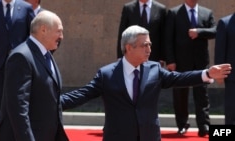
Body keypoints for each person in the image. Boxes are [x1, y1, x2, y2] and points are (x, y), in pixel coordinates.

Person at [60, 25, 230, 141]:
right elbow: (82, 94)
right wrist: (54, 102)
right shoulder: (107, 74)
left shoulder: (154, 69)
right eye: (144, 45)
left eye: (150, 44)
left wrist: (206, 73)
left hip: (149, 136)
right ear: (128, 48)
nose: (149, 49)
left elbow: (179, 78)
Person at [0, 10, 66, 141]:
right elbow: (18, 107)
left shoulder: (47, 55)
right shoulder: (21, 57)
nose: (62, 36)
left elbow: (48, 97)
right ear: (43, 30)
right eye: (59, 31)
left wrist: (88, 93)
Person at [164, 0, 216, 136]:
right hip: (180, 62)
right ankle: (182, 124)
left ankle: (204, 125)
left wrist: (199, 32)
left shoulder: (207, 12)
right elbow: (168, 38)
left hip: (200, 62)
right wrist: (170, 60)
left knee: (202, 95)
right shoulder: (174, 13)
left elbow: (215, 30)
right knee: (180, 94)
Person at [0, 0, 35, 122]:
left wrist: (32, 57)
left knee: (19, 96)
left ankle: (18, 127)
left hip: (20, 61)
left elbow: (33, 35)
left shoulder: (26, 8)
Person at [117, 0, 167, 65]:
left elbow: (164, 35)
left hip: (154, 56)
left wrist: (163, 57)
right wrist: (121, 56)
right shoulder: (128, 8)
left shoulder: (161, 9)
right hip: (133, 55)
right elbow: (123, 34)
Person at [215, 13, 235, 125]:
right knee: (232, 112)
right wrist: (219, 73)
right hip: (232, 77)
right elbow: (220, 50)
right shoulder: (225, 23)